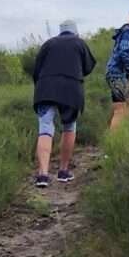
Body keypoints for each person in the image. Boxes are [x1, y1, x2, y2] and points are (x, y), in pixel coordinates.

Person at [30, 19, 96, 188]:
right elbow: (88, 67)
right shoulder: (79, 43)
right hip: (71, 89)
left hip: (45, 89)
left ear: (60, 32)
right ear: (75, 32)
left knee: (45, 128)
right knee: (69, 127)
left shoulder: (48, 44)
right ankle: (63, 171)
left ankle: (43, 174)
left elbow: (36, 69)